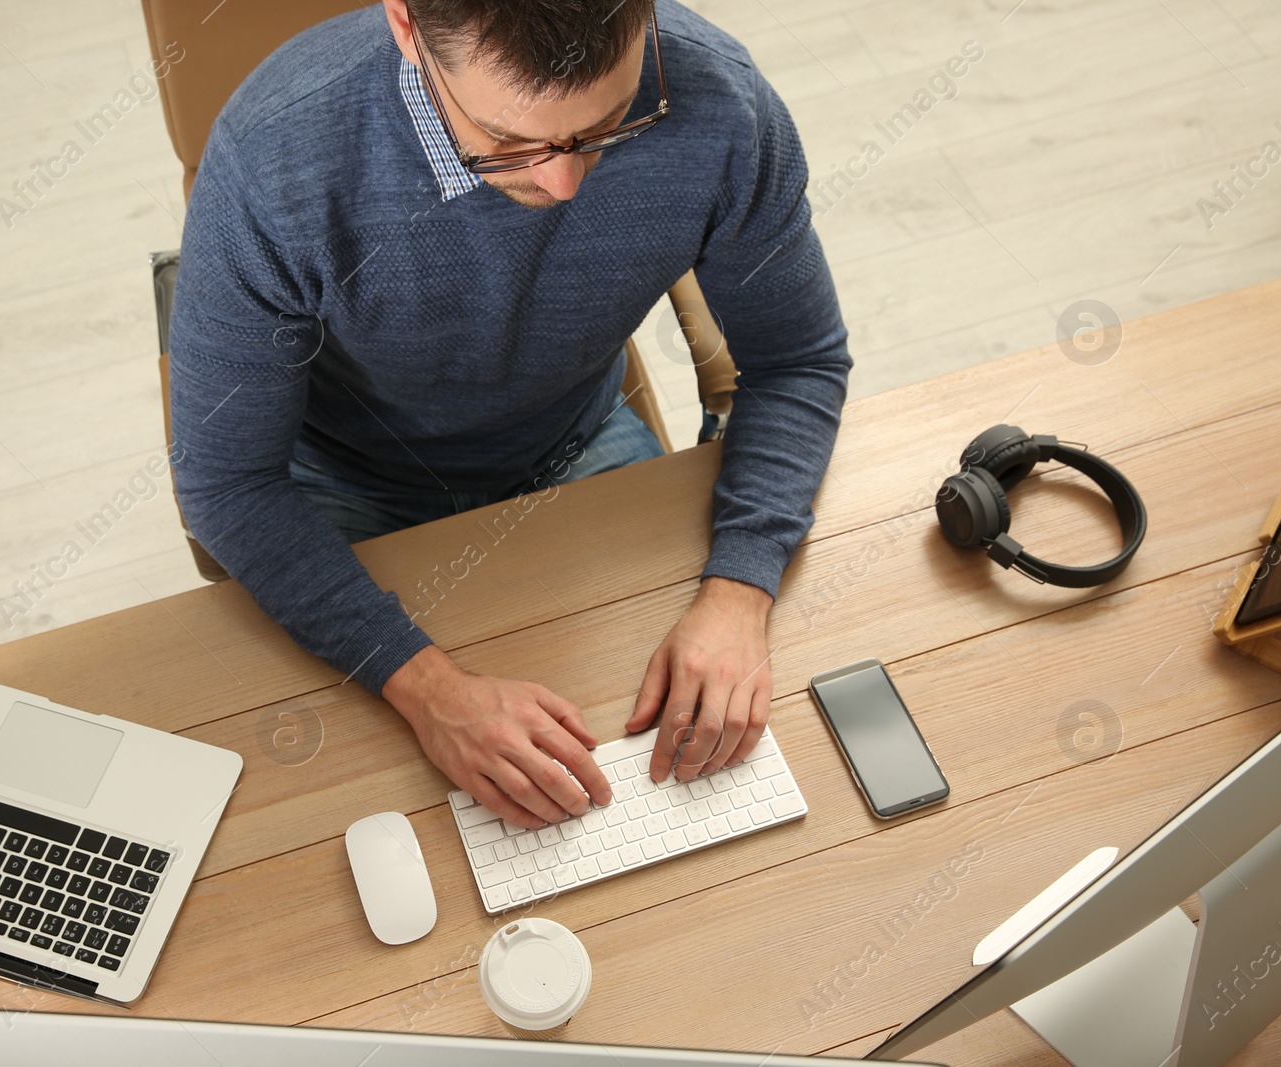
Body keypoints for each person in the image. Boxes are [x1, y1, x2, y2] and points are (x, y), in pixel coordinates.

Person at [168, 0, 851, 831]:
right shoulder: (275, 156)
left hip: (573, 442)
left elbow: (797, 361)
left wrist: (741, 587)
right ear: (408, 28)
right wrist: (424, 687)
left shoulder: (721, 102)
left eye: (604, 126)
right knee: (343, 819)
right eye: (506, 142)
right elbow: (227, 479)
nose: (563, 183)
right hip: (342, 485)